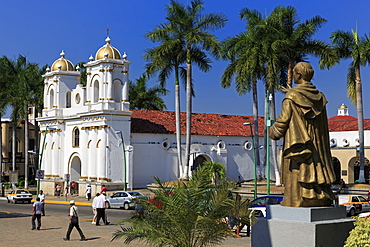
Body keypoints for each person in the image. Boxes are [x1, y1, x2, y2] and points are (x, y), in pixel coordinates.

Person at [269, 62, 336, 207]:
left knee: (298, 174)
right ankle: (319, 197)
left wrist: (272, 132)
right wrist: (292, 92)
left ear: (298, 75)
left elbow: (282, 122)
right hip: (317, 146)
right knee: (316, 170)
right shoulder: (320, 97)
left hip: (300, 146)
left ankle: (301, 200)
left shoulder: (291, 96)